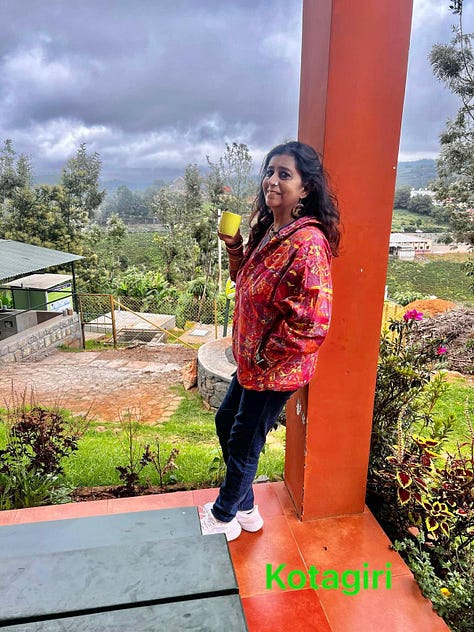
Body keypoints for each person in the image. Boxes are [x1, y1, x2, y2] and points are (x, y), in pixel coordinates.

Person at [200, 141, 341, 541]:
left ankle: (224, 515)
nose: (272, 181)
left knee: (245, 437)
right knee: (227, 421)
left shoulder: (307, 245)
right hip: (253, 364)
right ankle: (246, 509)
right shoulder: (273, 231)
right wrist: (235, 247)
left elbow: (313, 323)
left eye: (284, 174)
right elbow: (243, 281)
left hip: (275, 370)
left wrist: (265, 356)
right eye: (269, 171)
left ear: (306, 188)